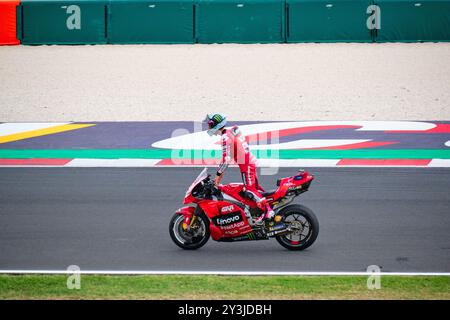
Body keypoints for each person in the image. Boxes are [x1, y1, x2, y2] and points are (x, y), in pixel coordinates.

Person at [204, 113, 275, 225]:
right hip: (249, 161)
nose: (208, 127)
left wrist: (218, 176)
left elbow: (226, 159)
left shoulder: (225, 137)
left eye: (210, 124)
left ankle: (268, 210)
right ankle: (261, 208)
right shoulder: (233, 130)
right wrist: (221, 174)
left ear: (215, 125)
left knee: (250, 190)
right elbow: (233, 152)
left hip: (246, 165)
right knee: (255, 189)